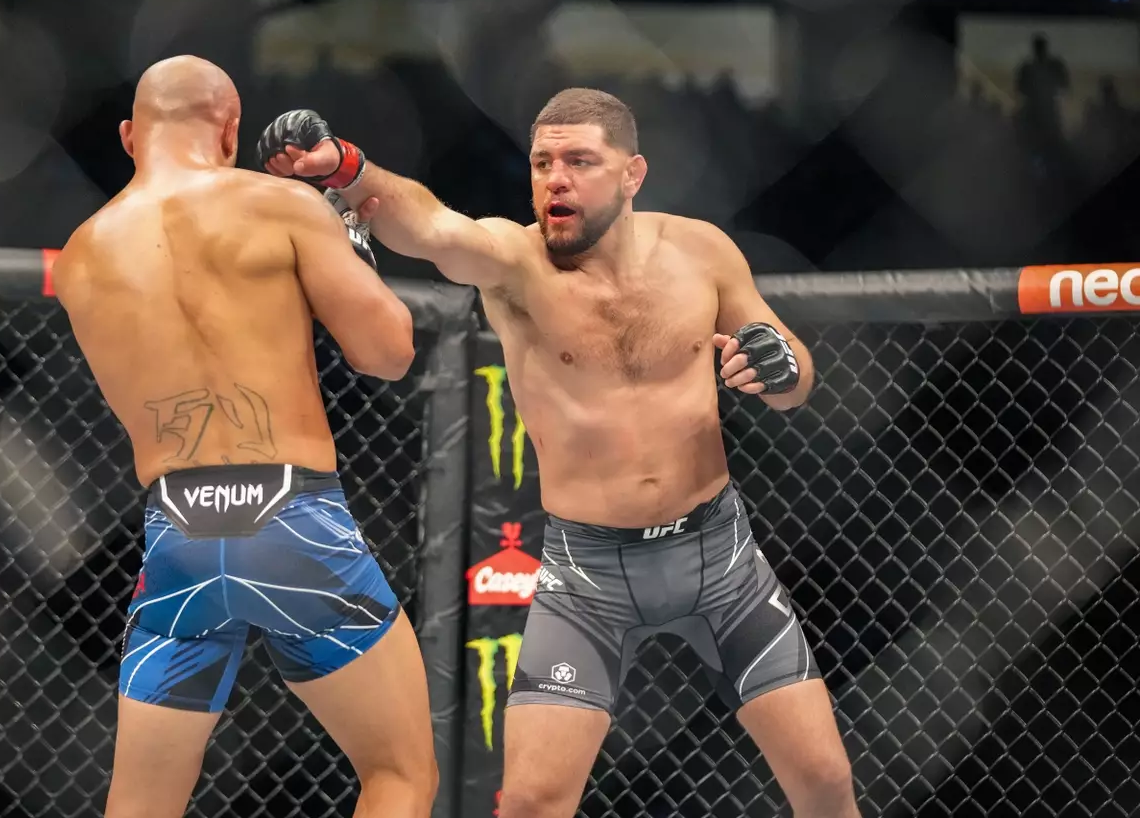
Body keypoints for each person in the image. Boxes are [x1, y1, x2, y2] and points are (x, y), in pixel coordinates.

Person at [258, 88, 859, 818]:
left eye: (579, 161)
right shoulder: (516, 262)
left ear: (633, 174)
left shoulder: (701, 251)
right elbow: (431, 226)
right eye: (542, 162)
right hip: (590, 576)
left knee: (825, 781)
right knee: (533, 803)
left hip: (719, 557)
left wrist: (781, 369)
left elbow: (791, 371)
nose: (555, 180)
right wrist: (347, 169)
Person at [50, 56, 438, 818]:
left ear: (131, 136)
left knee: (140, 806)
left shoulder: (82, 255)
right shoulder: (279, 205)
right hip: (293, 517)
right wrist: (349, 241)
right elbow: (388, 354)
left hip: (179, 531)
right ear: (229, 130)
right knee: (398, 773)